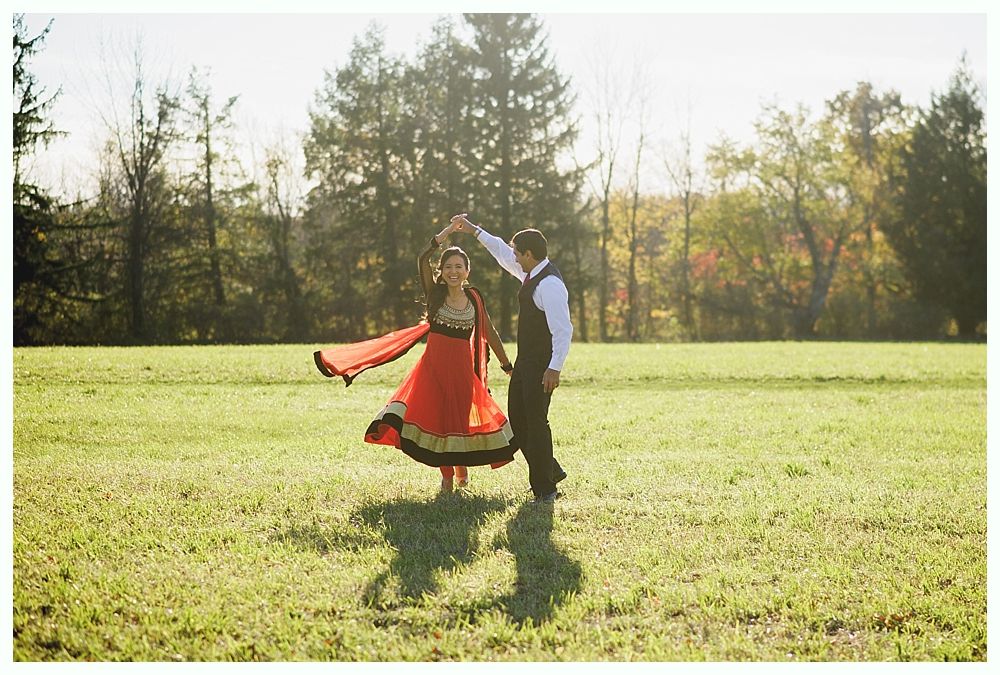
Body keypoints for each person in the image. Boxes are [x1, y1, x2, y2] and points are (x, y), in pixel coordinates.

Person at [314, 220, 516, 491]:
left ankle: (462, 473)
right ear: (441, 272)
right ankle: (447, 478)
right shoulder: (435, 295)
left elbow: (489, 332)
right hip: (433, 370)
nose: (453, 271)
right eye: (448, 267)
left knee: (460, 422)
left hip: (462, 372)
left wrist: (506, 365)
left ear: (467, 271)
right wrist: (445, 233)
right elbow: (422, 258)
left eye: (459, 266)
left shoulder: (475, 299)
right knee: (441, 421)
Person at [452, 214, 571, 504]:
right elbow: (503, 255)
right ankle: (550, 470)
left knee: (536, 422)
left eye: (518, 252)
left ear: (528, 255)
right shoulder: (532, 274)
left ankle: (544, 489)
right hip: (524, 364)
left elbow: (563, 330)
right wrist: (474, 231)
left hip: (541, 367)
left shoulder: (549, 285)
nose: (514, 257)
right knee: (518, 422)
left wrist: (554, 368)